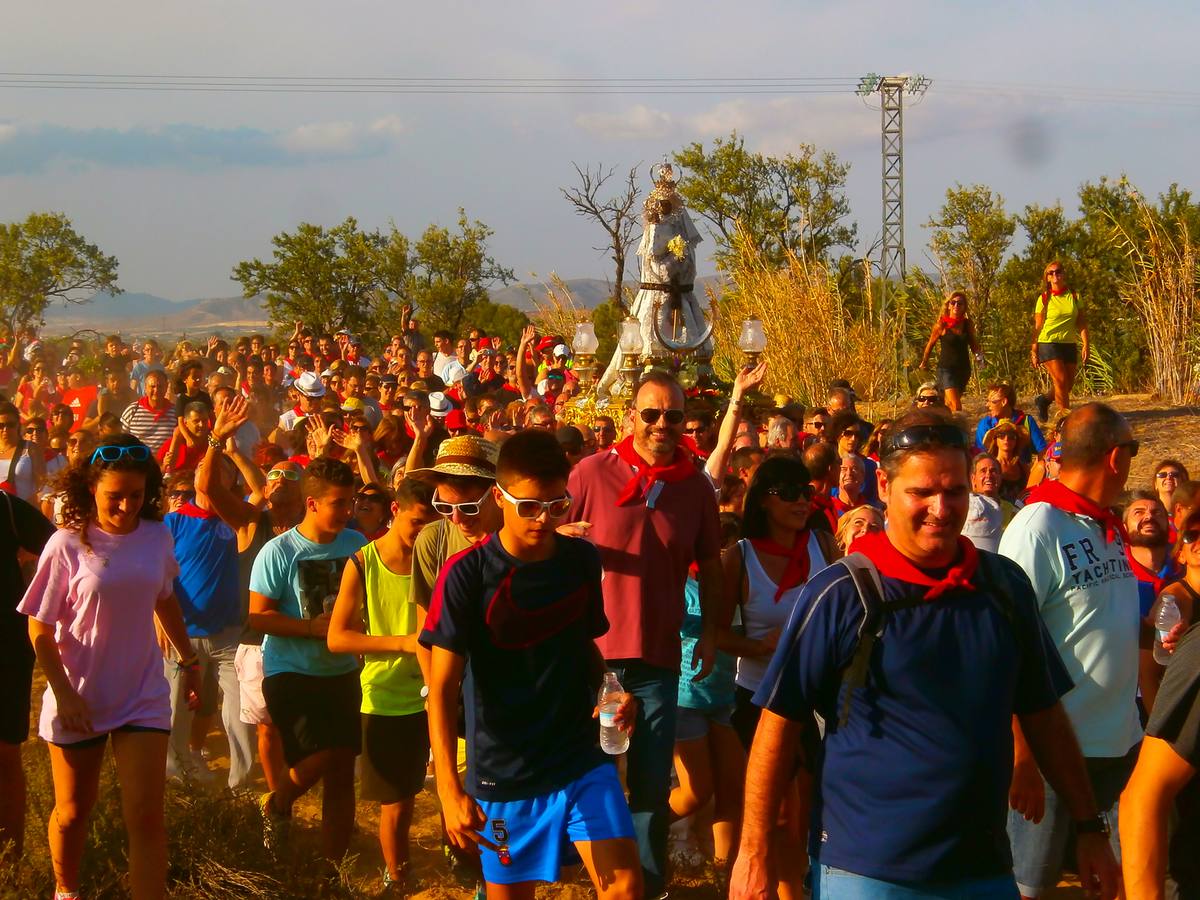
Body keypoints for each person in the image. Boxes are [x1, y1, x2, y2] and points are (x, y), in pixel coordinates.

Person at [732, 409, 1120, 900]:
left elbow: (1042, 712)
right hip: (868, 871)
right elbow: (778, 722)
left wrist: (1088, 827)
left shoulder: (1003, 587)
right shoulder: (840, 594)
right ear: (885, 487)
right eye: (921, 492)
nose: (941, 508)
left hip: (982, 866)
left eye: (955, 491)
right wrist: (753, 852)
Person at [421, 429, 641, 899]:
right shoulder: (466, 574)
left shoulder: (580, 559)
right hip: (504, 773)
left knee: (624, 887)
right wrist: (447, 789)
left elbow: (584, 645)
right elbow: (441, 689)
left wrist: (613, 690)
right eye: (528, 506)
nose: (542, 519)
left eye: (556, 505)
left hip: (579, 756)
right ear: (498, 498)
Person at [19, 434, 202, 900]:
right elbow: (39, 630)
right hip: (79, 693)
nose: (125, 506)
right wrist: (65, 694)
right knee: (74, 812)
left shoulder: (157, 535)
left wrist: (189, 660)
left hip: (142, 693)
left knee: (145, 817)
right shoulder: (65, 544)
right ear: (90, 491)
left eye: (136, 496)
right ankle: (66, 890)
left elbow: (165, 600)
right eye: (114, 497)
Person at [567, 371, 723, 897]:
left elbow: (711, 563)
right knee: (594, 776)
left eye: (673, 416)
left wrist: (713, 632)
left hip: (659, 655)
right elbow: (545, 534)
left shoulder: (696, 487)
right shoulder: (591, 473)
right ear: (631, 416)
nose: (661, 424)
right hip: (592, 656)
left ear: (685, 423)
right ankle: (600, 880)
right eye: (651, 414)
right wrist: (563, 535)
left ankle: (648, 887)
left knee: (653, 785)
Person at [1000, 402, 1142, 900]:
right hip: (1054, 755)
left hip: (1121, 747)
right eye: (1133, 448)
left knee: (1113, 883)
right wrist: (1021, 757)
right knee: (1029, 888)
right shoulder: (1038, 527)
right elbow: (1006, 646)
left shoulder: (1105, 525)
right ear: (1113, 458)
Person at [720, 456, 839, 899]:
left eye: (806, 493)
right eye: (789, 493)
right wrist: (761, 645)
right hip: (760, 697)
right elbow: (716, 635)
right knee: (781, 814)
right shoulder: (740, 557)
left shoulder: (823, 546)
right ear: (765, 501)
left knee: (808, 812)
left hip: (818, 698)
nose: (801, 501)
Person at [248, 456, 366, 864]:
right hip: (290, 670)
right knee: (321, 757)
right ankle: (277, 803)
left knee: (341, 770)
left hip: (344, 670)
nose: (348, 511)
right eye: (338, 503)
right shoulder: (278, 551)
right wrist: (315, 629)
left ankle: (335, 867)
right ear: (312, 503)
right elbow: (257, 616)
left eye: (350, 503)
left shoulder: (356, 544)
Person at [327, 477, 438, 894]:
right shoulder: (363, 562)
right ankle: (398, 880)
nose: (424, 534)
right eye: (417, 522)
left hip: (439, 695)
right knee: (398, 801)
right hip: (387, 698)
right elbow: (338, 637)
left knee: (453, 788)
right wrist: (403, 643)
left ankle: (462, 865)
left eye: (432, 526)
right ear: (396, 511)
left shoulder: (439, 559)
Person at [164, 395, 263, 789]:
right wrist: (159, 620)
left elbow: (262, 490)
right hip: (181, 634)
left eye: (225, 476)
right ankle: (177, 780)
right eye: (212, 474)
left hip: (227, 636)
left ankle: (241, 784)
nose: (218, 481)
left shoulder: (238, 519)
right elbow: (159, 577)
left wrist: (233, 455)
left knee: (240, 714)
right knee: (176, 712)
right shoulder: (172, 521)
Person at [0, 490, 55, 861]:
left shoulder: (5, 508)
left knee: (4, 755)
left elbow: (60, 550)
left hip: (5, 647)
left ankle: (9, 866)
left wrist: (36, 596)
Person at [1031, 261, 1089, 422]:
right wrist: (1034, 350)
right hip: (1048, 343)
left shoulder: (1075, 296)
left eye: (1058, 272)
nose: (1055, 275)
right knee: (1061, 381)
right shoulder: (1043, 298)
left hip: (1069, 343)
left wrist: (1086, 344)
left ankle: (1044, 400)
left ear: (1063, 274)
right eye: (1051, 273)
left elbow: (1082, 322)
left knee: (1067, 385)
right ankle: (1064, 421)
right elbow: (1038, 326)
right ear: (1047, 278)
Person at [918, 291, 982, 412]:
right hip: (946, 369)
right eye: (953, 303)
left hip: (963, 370)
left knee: (948, 405)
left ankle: (943, 424)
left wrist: (980, 359)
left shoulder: (967, 324)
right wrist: (924, 362)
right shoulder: (942, 325)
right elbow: (930, 344)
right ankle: (958, 427)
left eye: (960, 303)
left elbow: (974, 344)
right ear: (948, 305)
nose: (956, 306)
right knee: (956, 406)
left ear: (964, 307)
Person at [975, 382, 1047, 461]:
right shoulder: (985, 424)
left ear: (1004, 402)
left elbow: (1043, 451)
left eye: (992, 402)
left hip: (1022, 471)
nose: (987, 405)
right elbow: (981, 457)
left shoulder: (1026, 421)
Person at [0, 399, 45, 502]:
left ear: (18, 425)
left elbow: (42, 486)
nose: (5, 429)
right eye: (1, 425)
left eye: (10, 425)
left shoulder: (31, 448)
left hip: (23, 510)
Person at [121, 370, 176, 452]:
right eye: (152, 386)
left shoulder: (175, 412)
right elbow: (121, 438)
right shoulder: (133, 410)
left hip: (164, 463)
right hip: (138, 461)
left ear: (166, 387)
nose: (156, 390)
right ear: (145, 388)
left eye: (160, 386)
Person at [984, 420, 1031, 504]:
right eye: (1001, 435)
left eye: (1012, 436)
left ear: (1017, 441)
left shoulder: (1024, 467)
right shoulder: (989, 466)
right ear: (995, 440)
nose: (1006, 439)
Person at [1150, 459, 1188, 539]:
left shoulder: (1191, 516)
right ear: (1155, 484)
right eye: (1162, 475)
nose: (1168, 477)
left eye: (1175, 475)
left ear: (1183, 482)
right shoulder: (1149, 516)